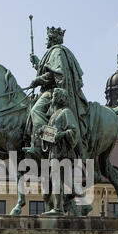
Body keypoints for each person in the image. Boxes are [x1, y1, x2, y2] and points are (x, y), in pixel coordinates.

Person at [25, 26, 89, 160]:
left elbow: (54, 74)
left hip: (53, 91)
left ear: (53, 39)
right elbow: (50, 68)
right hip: (47, 90)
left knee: (36, 110)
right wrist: (37, 63)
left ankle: (46, 139)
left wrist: (37, 80)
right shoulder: (55, 52)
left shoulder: (57, 51)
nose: (46, 41)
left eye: (48, 38)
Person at [42, 88, 81, 216]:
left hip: (63, 152)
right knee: (56, 179)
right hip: (54, 152)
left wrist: (62, 134)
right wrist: (44, 133)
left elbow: (74, 131)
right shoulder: (54, 115)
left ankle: (59, 208)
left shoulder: (66, 112)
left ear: (59, 98)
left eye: (54, 95)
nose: (52, 98)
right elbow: (49, 135)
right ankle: (64, 204)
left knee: (58, 179)